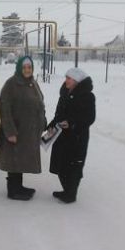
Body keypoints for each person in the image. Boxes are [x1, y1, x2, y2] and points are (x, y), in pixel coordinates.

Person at [0, 56, 46, 200]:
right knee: (14, 159)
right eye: (24, 68)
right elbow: (4, 109)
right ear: (19, 68)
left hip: (28, 131)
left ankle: (19, 187)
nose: (27, 70)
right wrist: (10, 131)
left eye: (29, 67)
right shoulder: (11, 84)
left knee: (21, 159)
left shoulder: (32, 83)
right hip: (16, 131)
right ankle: (13, 191)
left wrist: (43, 121)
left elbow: (39, 104)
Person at [47, 67, 95, 203]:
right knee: (61, 165)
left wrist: (72, 123)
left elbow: (90, 117)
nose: (66, 81)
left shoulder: (87, 96)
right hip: (61, 135)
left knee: (73, 166)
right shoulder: (65, 94)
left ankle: (70, 194)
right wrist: (50, 127)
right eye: (66, 78)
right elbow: (59, 114)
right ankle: (66, 190)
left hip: (76, 137)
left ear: (76, 81)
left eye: (69, 78)